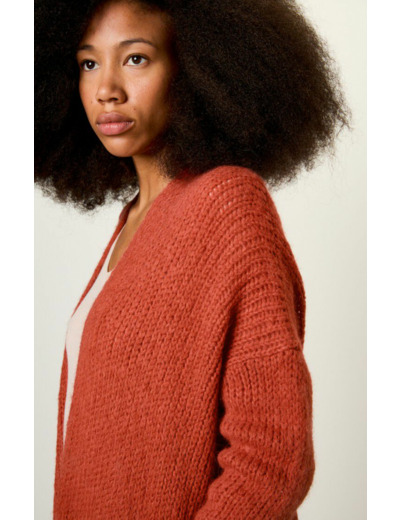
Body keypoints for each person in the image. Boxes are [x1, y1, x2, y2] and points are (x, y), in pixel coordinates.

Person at [35, 0, 350, 518]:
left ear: (196, 69)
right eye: (89, 63)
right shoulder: (133, 219)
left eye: (135, 58)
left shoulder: (226, 203)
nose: (106, 88)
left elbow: (272, 459)